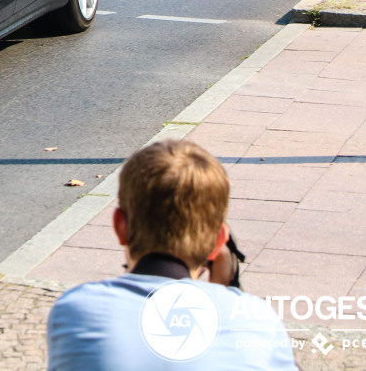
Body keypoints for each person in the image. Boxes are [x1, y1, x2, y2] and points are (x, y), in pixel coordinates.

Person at [47, 140, 296, 370]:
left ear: (120, 226)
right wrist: (229, 289)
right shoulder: (256, 320)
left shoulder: (78, 309)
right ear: (220, 240)